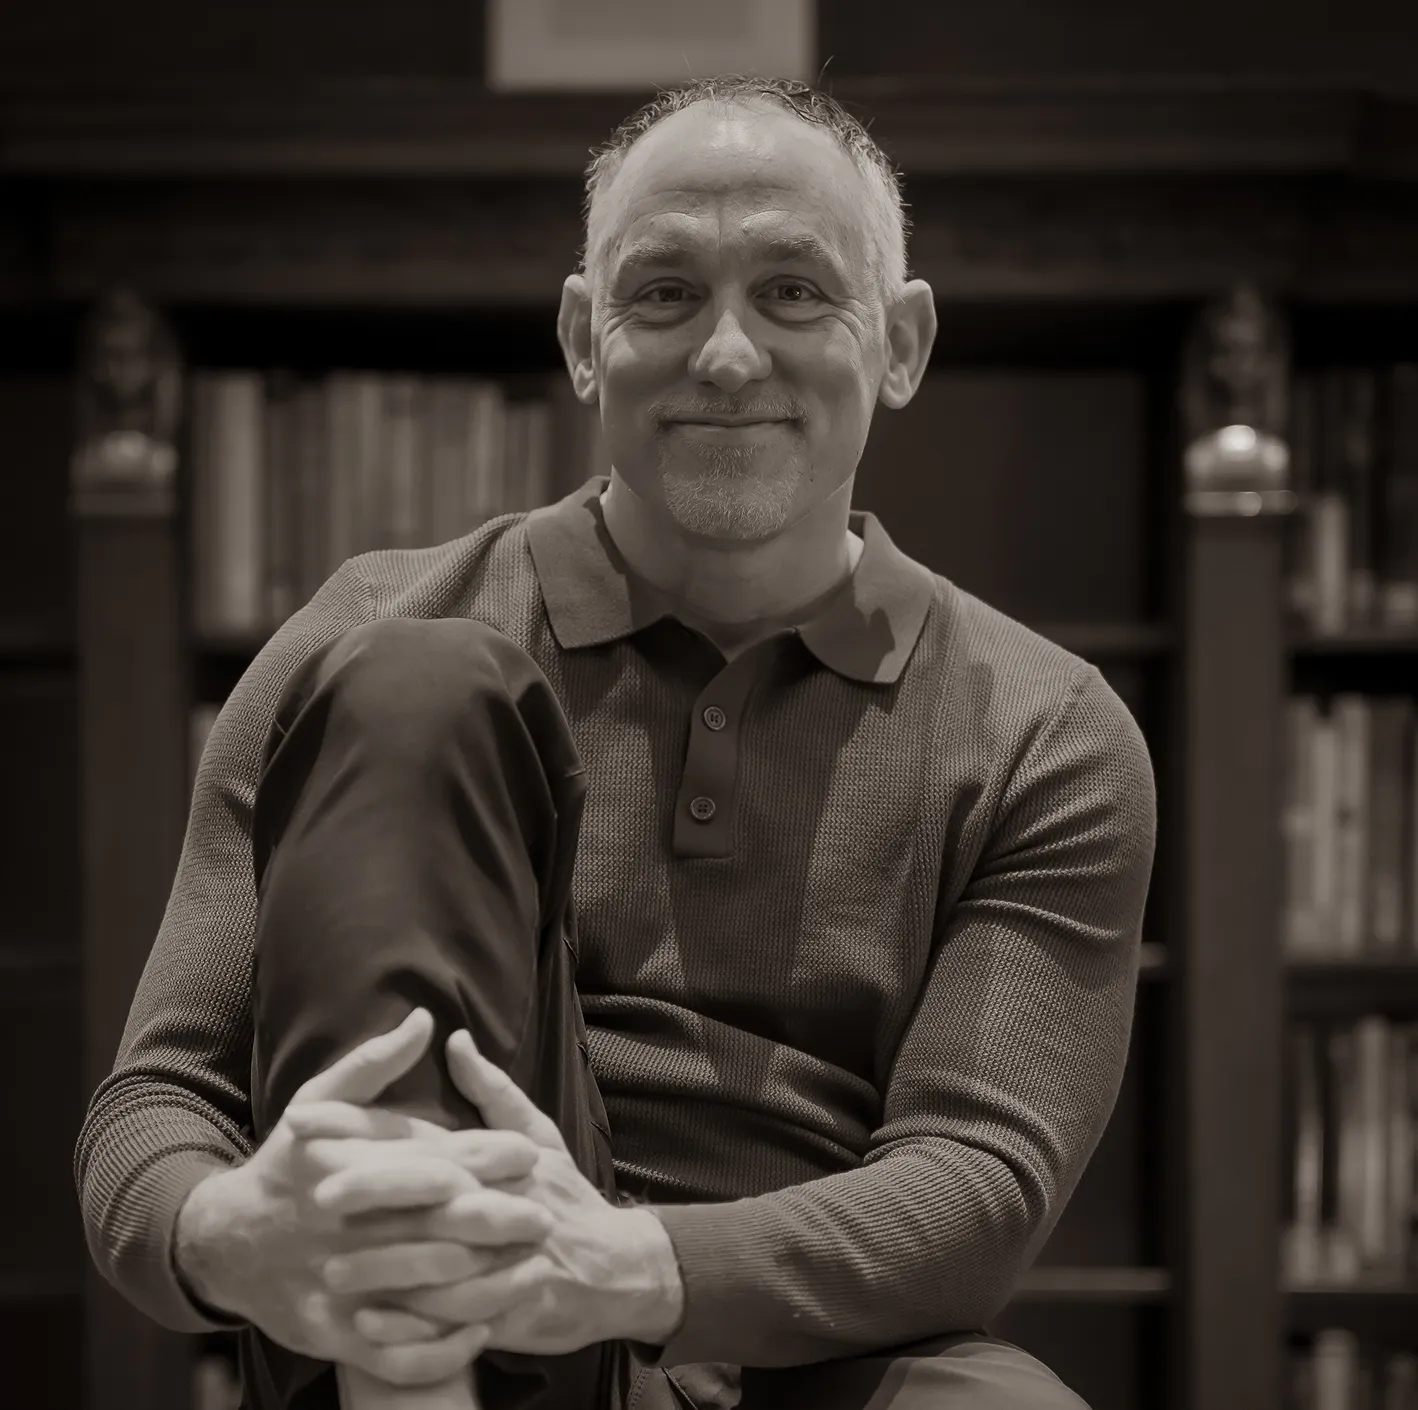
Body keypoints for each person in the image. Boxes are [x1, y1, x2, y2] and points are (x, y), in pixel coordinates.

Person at [74, 74, 1157, 1410]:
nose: (724, 353)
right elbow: (155, 1103)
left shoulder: (1045, 728)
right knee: (410, 678)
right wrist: (224, 1233)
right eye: (663, 294)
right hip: (442, 1330)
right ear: (586, 338)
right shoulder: (359, 626)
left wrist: (622, 1261)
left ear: (901, 343)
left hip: (810, 1343)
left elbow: (978, 1182)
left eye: (792, 291)